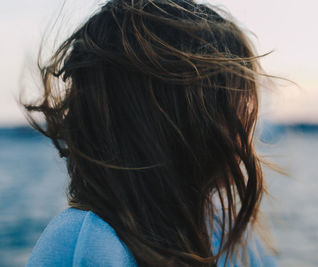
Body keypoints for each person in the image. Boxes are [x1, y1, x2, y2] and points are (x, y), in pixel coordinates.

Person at [23, 0, 277, 266]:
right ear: (184, 124)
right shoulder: (87, 246)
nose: (249, 124)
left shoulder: (218, 229)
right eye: (238, 104)